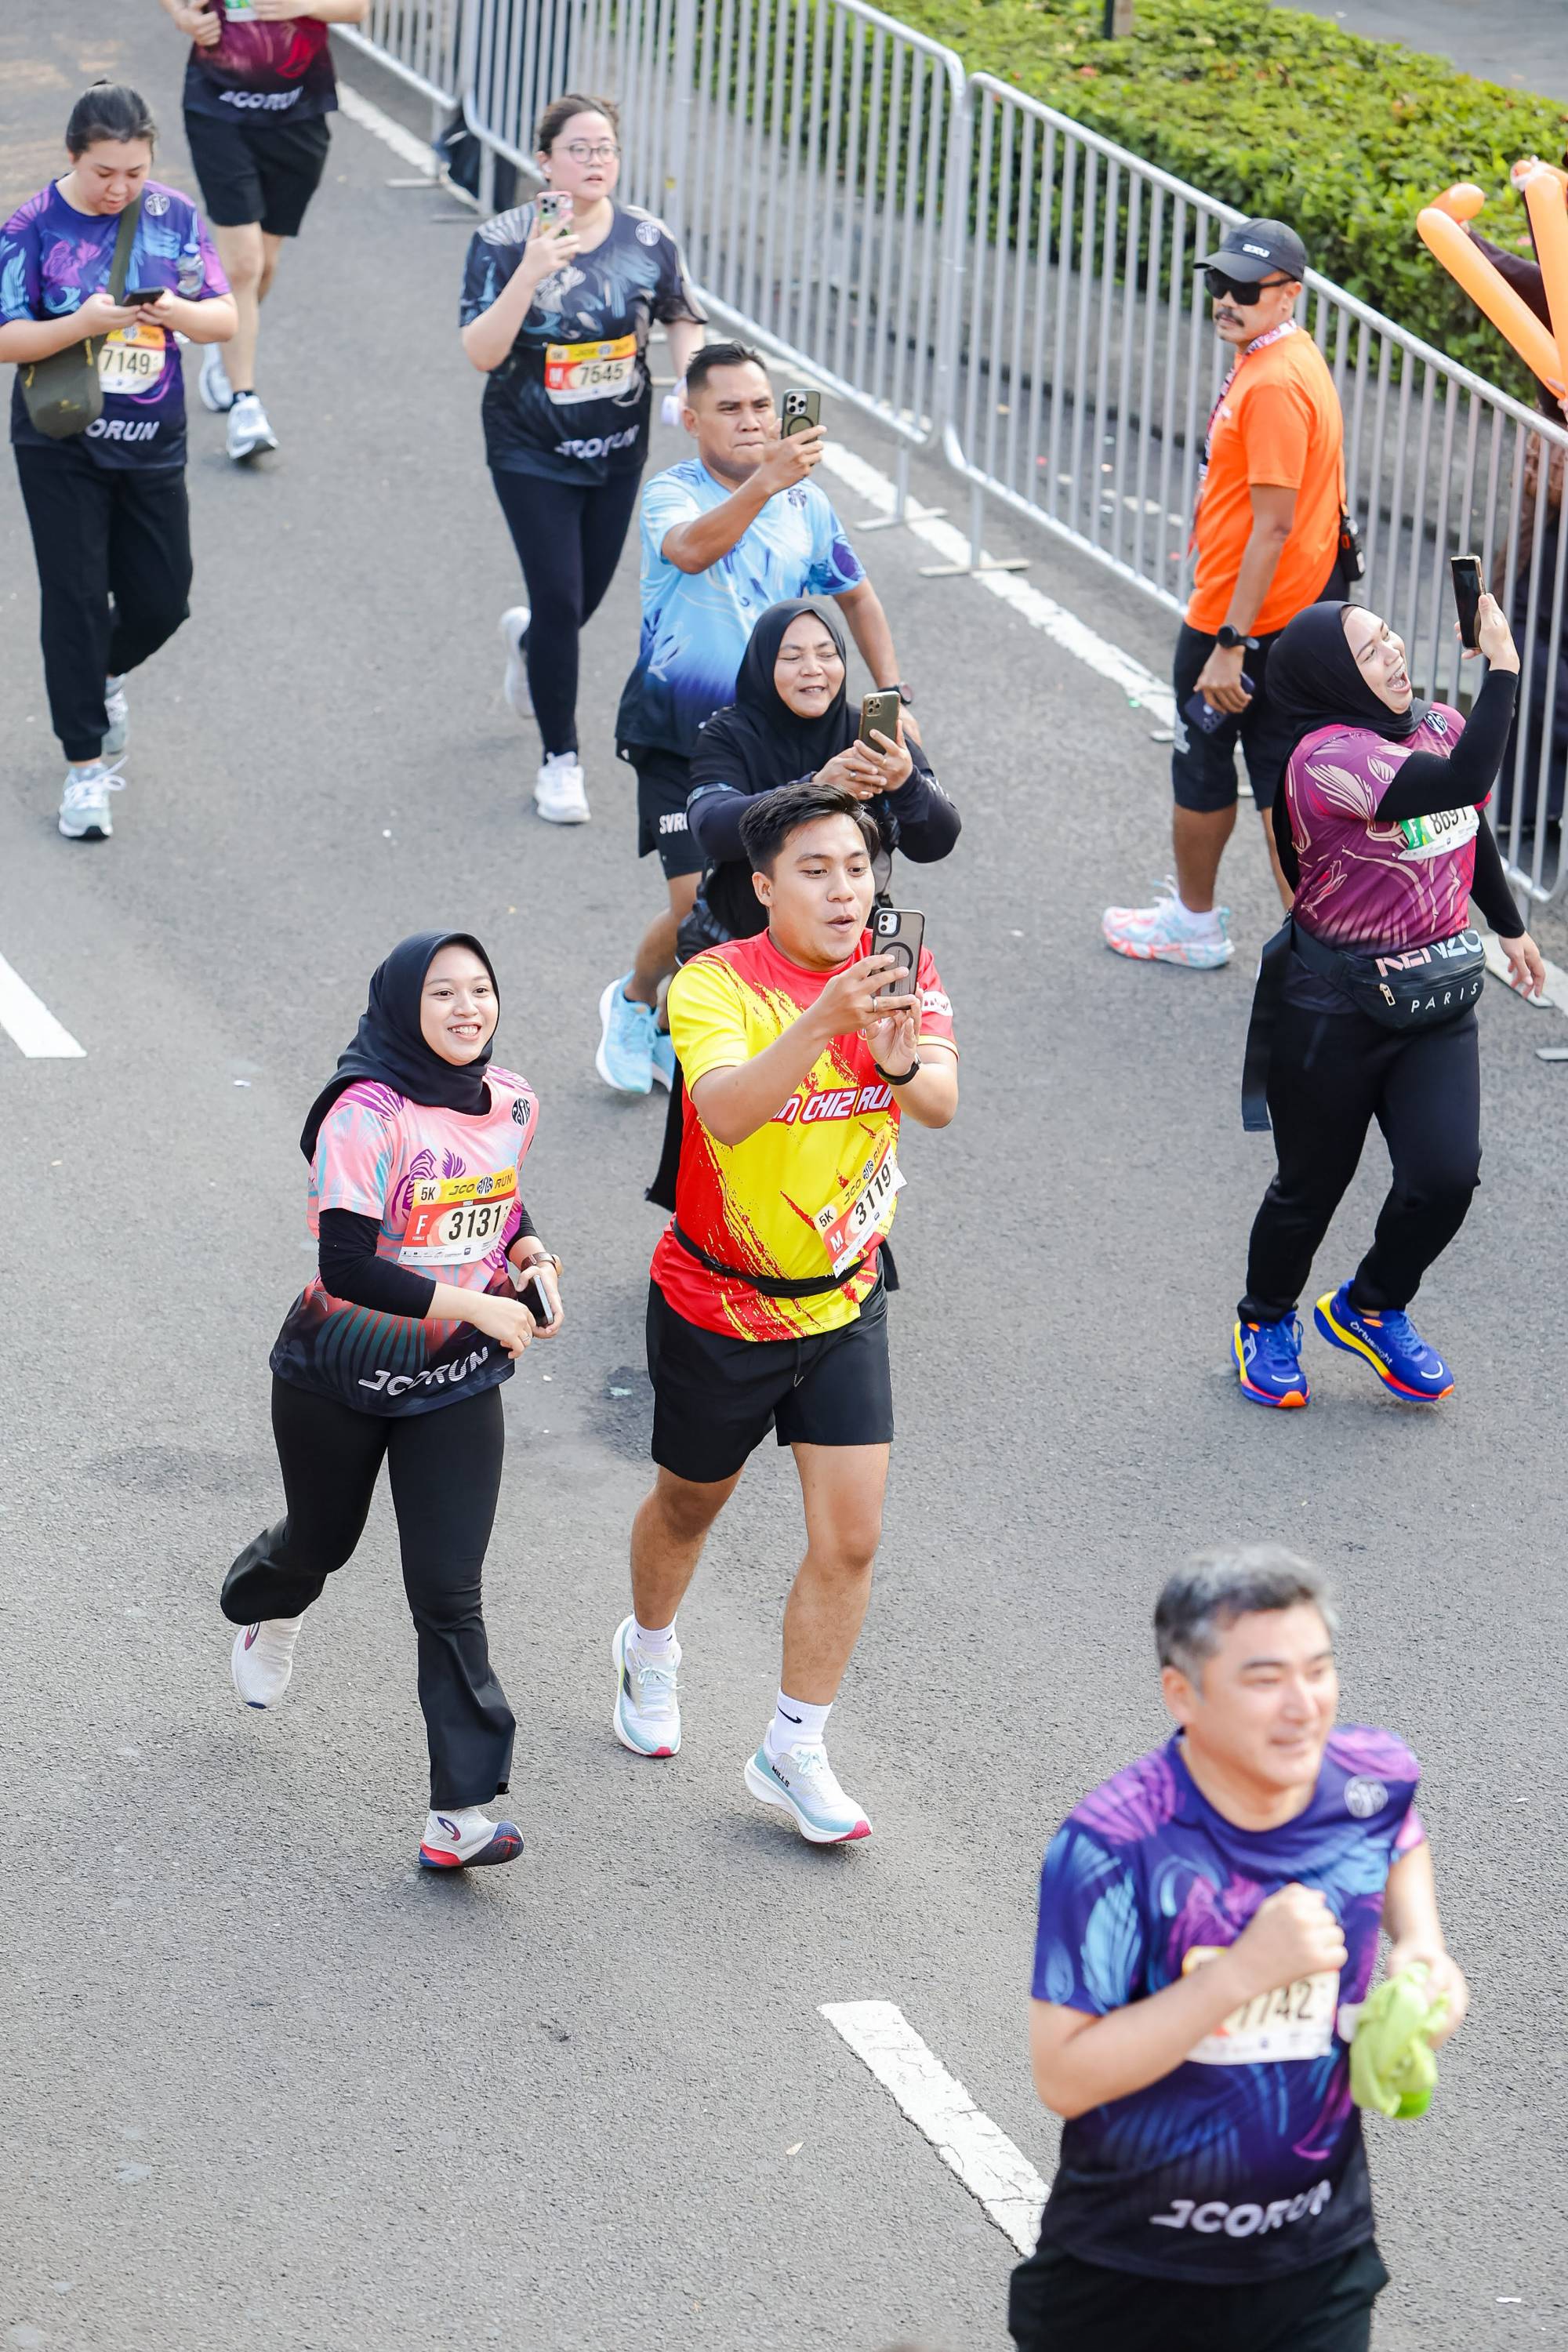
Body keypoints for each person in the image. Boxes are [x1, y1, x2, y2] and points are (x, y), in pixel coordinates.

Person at [609, 779, 958, 1845]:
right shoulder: (715, 983)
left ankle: (793, 1747)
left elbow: (938, 1103)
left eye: (857, 868)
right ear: (764, 889)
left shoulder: (902, 967)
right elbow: (726, 1113)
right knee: (689, 1507)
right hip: (718, 1302)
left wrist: (896, 1055)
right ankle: (648, 1648)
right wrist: (824, 1020)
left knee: (851, 1539)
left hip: (843, 1298)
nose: (845, 890)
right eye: (816, 871)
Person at [1012, 1544, 1469, 2352]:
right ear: (1181, 1694)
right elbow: (1065, 2076)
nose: (1304, 1707)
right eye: (1264, 1680)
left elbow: (1399, 1835)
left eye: (1318, 1671)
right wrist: (1239, 1977)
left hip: (1315, 2263)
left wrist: (1423, 1950)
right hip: (1130, 2277)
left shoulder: (1369, 1780)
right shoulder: (1113, 1846)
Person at [221, 932, 565, 1871]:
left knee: (448, 1592)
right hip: (336, 1373)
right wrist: (480, 1306)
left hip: (453, 1380)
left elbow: (497, 1195)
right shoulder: (365, 1114)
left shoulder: (513, 1099)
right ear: (403, 1008)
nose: (467, 1009)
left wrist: (527, 1256)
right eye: (442, 993)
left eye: (480, 989)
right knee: (319, 1542)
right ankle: (269, 1609)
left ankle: (459, 1813)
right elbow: (346, 1264)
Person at [1232, 593, 1544, 1409]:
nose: (1393, 653)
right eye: (1369, 650)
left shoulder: (1439, 726)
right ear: (1332, 677)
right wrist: (1504, 666)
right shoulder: (1327, 758)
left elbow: (1464, 816)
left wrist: (1509, 925)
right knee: (1310, 1186)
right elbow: (1464, 778)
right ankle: (1264, 1320)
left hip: (1433, 998)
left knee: (1446, 1178)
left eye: (1388, 636)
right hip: (1331, 1005)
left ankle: (1370, 1307)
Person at [598, 342, 909, 1094]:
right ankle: (636, 1001)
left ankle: (695, 1024)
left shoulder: (809, 505)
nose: (750, 420)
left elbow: (857, 596)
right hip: (677, 731)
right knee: (696, 899)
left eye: (761, 405)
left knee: (755, 899)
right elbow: (691, 551)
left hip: (765, 738)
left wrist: (895, 698)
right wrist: (768, 481)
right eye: (729, 408)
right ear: (691, 419)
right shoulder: (672, 494)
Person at [1103, 220, 1348, 969]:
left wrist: (1230, 643)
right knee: (1286, 786)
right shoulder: (1288, 356)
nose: (1226, 300)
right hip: (1289, 610)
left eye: (1246, 288)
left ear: (1289, 295)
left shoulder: (1272, 383)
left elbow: (1272, 526)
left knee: (1214, 767)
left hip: (1247, 620)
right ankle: (1320, 957)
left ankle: (1204, 927)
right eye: (1218, 282)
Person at [459, 92, 708, 825]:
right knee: (562, 601)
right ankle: (560, 760)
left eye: (606, 149)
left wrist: (689, 383)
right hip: (529, 449)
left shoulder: (648, 238)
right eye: (579, 149)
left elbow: (681, 315)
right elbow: (481, 352)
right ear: (545, 162)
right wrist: (530, 272)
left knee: (579, 603)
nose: (596, 161)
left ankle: (529, 642)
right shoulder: (502, 240)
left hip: (617, 446)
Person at [0, 82, 235, 844]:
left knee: (164, 600)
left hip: (152, 443)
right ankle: (84, 768)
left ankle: (102, 674)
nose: (119, 188)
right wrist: (80, 324)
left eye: (134, 171)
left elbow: (222, 317)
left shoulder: (173, 216)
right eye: (104, 172)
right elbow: (5, 335)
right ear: (73, 155)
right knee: (73, 599)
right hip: (60, 441)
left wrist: (174, 311)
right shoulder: (32, 225)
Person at [161, 0, 369, 463]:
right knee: (244, 265)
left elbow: (358, 8)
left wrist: (303, 5)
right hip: (218, 112)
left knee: (265, 265)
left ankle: (223, 339)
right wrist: (182, 16)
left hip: (299, 115)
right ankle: (246, 405)